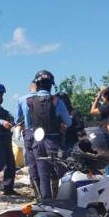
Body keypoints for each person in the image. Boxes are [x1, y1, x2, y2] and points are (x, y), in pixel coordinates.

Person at [26, 70, 72, 200]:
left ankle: (45, 202)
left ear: (37, 84)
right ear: (51, 85)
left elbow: (29, 124)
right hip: (53, 140)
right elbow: (68, 122)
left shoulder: (29, 102)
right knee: (61, 173)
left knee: (43, 174)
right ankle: (62, 200)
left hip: (37, 141)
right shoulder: (57, 101)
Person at [16, 81, 39, 198]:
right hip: (44, 133)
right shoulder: (48, 99)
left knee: (32, 162)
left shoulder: (22, 100)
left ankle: (36, 190)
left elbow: (18, 119)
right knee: (45, 161)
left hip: (29, 133)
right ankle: (49, 192)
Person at [58, 92, 85, 157]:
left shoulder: (74, 112)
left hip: (72, 142)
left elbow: (80, 127)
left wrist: (68, 128)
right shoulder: (58, 113)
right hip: (60, 143)